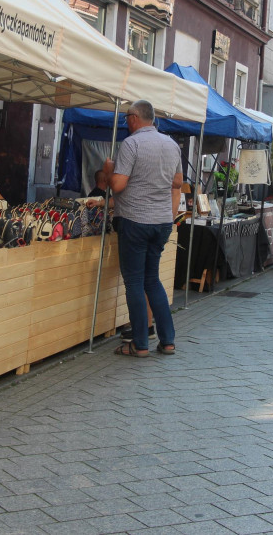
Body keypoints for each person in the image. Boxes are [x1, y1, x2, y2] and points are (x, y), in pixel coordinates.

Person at [103, 100, 182, 357]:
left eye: (127, 117)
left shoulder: (132, 143)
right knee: (152, 279)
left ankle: (140, 343)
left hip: (135, 220)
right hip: (161, 221)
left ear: (135, 118)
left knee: (135, 282)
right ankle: (168, 340)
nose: (126, 122)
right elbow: (177, 182)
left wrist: (108, 171)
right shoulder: (171, 144)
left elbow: (117, 185)